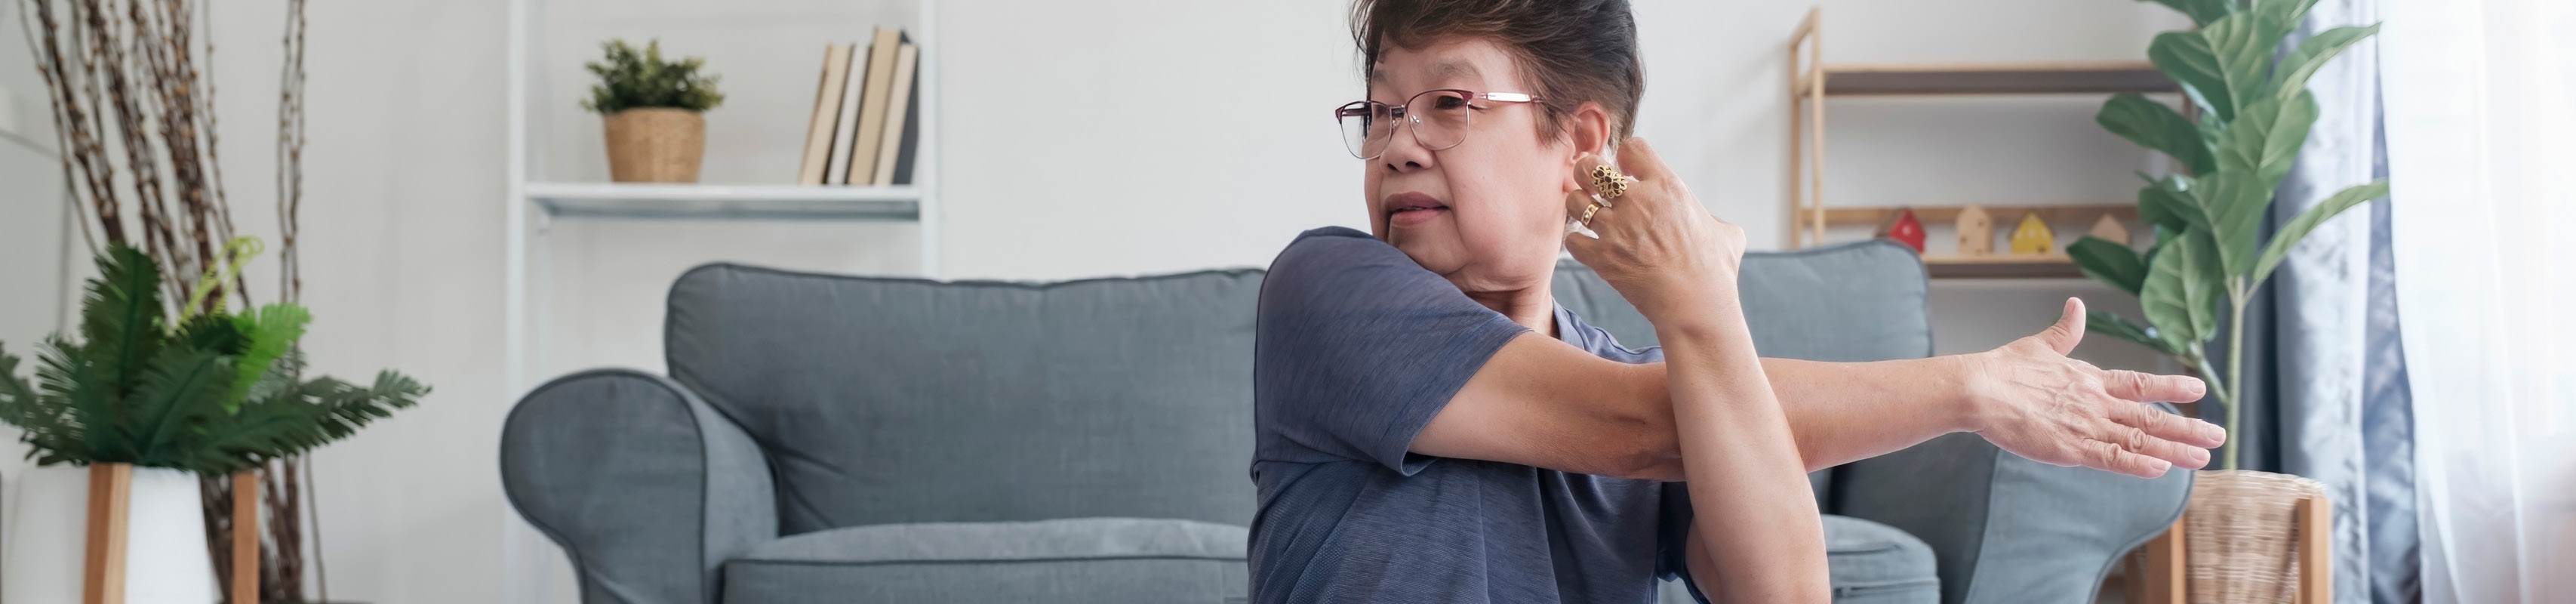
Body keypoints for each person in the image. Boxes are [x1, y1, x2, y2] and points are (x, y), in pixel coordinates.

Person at [1247, 1, 2231, 602]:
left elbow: (1782, 593)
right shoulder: (1327, 293)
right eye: (1379, 107)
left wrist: (1703, 310)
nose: (1397, 142)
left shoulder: (1662, 381)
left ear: (1580, 144)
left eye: (1447, 104)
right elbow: (1645, 428)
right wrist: (1970, 387)